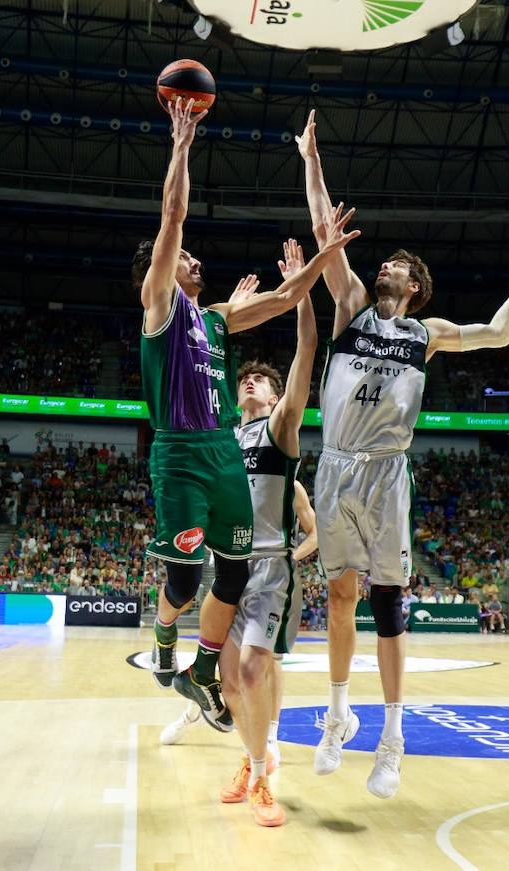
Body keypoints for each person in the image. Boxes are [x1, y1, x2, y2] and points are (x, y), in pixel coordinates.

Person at [299, 110, 509, 800]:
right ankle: (339, 712)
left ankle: (393, 739)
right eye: (383, 262)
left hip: (386, 474)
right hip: (335, 461)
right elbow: (325, 230)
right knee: (339, 595)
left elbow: (497, 333)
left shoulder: (424, 333)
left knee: (386, 603)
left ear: (414, 285)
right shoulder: (348, 307)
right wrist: (311, 160)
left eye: (396, 266)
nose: (383, 267)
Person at [133, 98, 358, 731]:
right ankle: (164, 637)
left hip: (222, 452)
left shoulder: (217, 318)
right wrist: (182, 144)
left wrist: (324, 252)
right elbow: (173, 214)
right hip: (178, 451)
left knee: (234, 569)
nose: (193, 259)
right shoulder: (159, 306)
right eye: (183, 257)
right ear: (158, 269)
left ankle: (203, 673)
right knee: (183, 581)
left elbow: (288, 298)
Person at [160, 268, 321, 826]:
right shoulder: (221, 435)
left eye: (260, 380)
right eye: (244, 378)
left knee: (254, 671)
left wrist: (299, 296)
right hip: (228, 568)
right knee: (228, 683)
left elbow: (306, 353)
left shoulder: (281, 428)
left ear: (277, 397)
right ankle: (253, 768)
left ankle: (263, 778)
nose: (249, 381)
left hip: (271, 569)